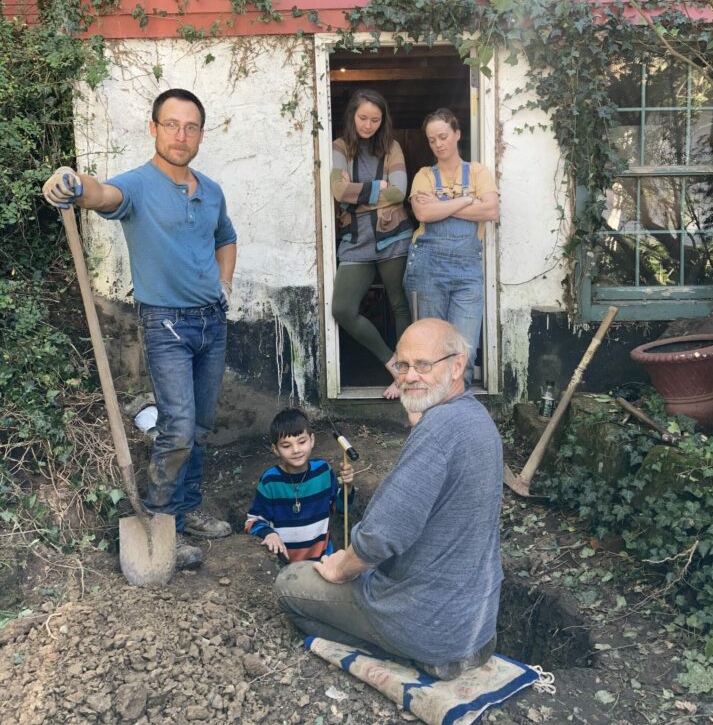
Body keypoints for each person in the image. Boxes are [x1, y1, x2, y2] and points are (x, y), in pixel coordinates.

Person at [42, 88, 237, 570]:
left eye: (190, 127)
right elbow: (101, 194)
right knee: (178, 428)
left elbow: (226, 237)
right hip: (166, 323)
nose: (181, 135)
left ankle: (187, 509)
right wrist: (71, 181)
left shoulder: (211, 190)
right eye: (171, 125)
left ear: (201, 135)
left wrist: (225, 284)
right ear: (153, 129)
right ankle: (160, 518)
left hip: (212, 320)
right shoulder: (139, 185)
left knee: (200, 426)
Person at [274, 319, 503, 680]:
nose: (409, 376)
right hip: (476, 624)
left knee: (290, 583)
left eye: (423, 365)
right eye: (402, 365)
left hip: (429, 628)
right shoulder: (476, 417)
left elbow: (380, 537)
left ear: (458, 365)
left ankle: (401, 652)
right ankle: (425, 647)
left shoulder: (438, 433)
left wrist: (338, 568)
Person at [404, 108, 499, 388]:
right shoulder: (424, 175)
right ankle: (432, 409)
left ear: (457, 134)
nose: (438, 144)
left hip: (467, 273)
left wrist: (442, 205)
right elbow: (423, 213)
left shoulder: (478, 172)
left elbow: (491, 210)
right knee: (430, 351)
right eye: (432, 140)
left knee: (463, 352)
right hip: (427, 270)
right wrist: (467, 201)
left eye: (443, 136)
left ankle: (458, 408)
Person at [331, 89, 412, 399]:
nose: (368, 125)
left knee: (399, 305)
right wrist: (379, 186)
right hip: (356, 241)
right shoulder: (340, 148)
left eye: (375, 120)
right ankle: (392, 363)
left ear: (383, 120)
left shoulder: (392, 147)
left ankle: (405, 374)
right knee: (342, 309)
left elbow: (399, 192)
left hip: (394, 237)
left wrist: (357, 197)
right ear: (353, 115)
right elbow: (339, 192)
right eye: (363, 118)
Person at [245, 408, 355, 563]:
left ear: (312, 440)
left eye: (302, 442)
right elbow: (253, 521)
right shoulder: (270, 481)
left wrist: (348, 488)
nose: (296, 450)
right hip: (286, 567)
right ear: (275, 449)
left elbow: (341, 509)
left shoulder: (323, 472)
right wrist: (269, 534)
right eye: (286, 446)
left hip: (324, 561)